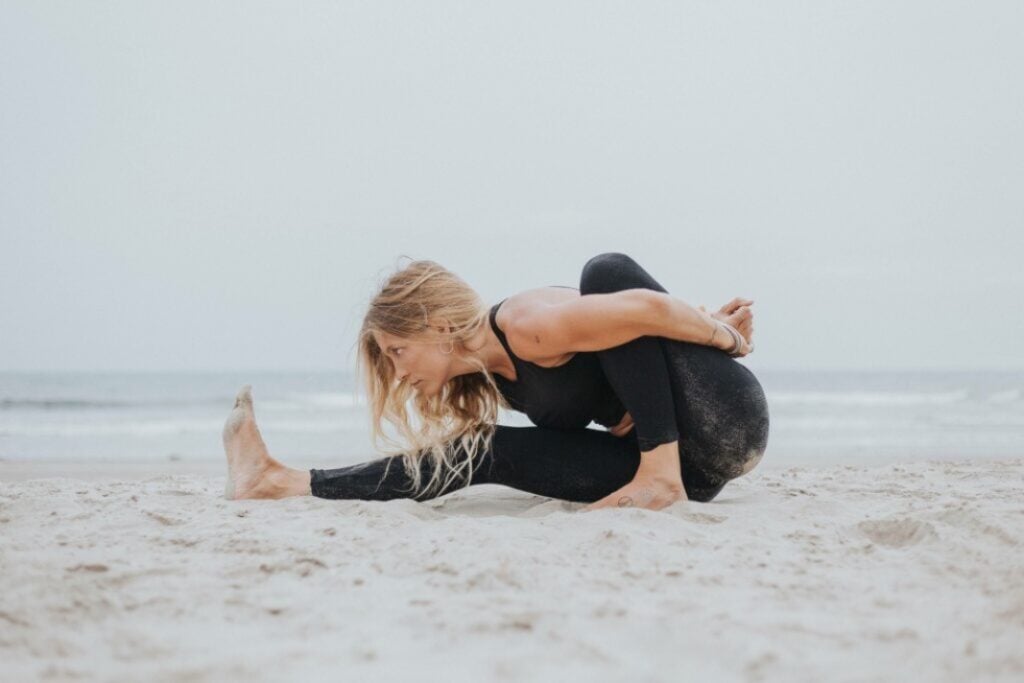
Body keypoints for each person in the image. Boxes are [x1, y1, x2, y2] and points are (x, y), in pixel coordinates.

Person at [222, 252, 769, 511]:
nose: (398, 372)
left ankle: (659, 472)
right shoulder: (492, 380)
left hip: (727, 420)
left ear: (436, 325)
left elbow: (643, 305)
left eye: (396, 352)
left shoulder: (525, 325)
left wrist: (725, 338)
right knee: (479, 451)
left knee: (605, 272)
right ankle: (280, 481)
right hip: (702, 474)